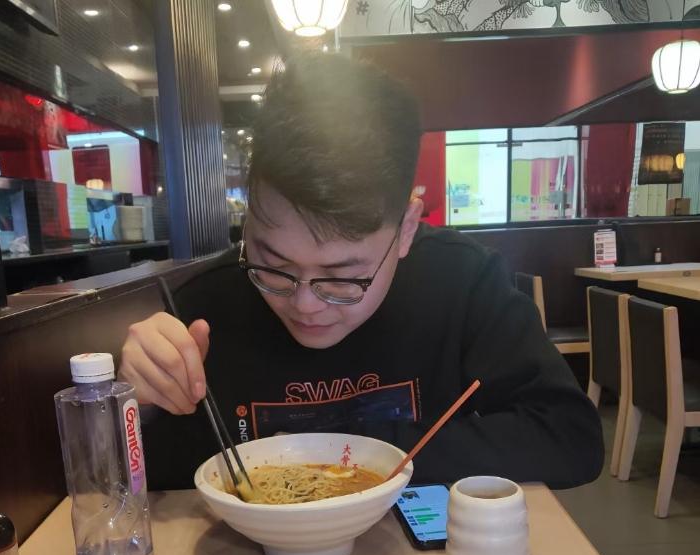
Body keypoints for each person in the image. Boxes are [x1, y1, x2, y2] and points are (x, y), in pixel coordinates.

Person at [119, 53, 603, 491]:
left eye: (342, 278)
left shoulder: (461, 281)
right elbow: (151, 481)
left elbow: (571, 437)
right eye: (274, 265)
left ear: (406, 228)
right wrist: (136, 408)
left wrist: (369, 455)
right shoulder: (204, 307)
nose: (304, 304)